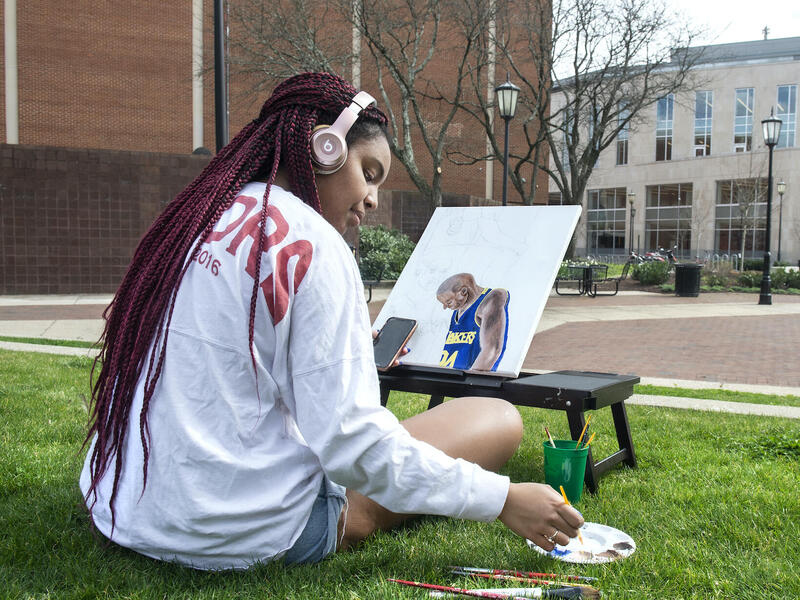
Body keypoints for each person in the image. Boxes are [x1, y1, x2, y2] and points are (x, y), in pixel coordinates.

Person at [80, 72, 582, 570]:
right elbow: (353, 446)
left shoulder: (194, 216)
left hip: (125, 508)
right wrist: (502, 498)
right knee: (496, 418)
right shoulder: (316, 244)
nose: (372, 199)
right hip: (247, 534)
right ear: (324, 147)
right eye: (369, 173)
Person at [437, 273, 509, 371]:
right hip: (449, 378)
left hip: (467, 382)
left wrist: (468, 382)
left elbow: (491, 350)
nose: (445, 307)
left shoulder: (492, 298)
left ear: (464, 291)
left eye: (448, 302)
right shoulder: (460, 308)